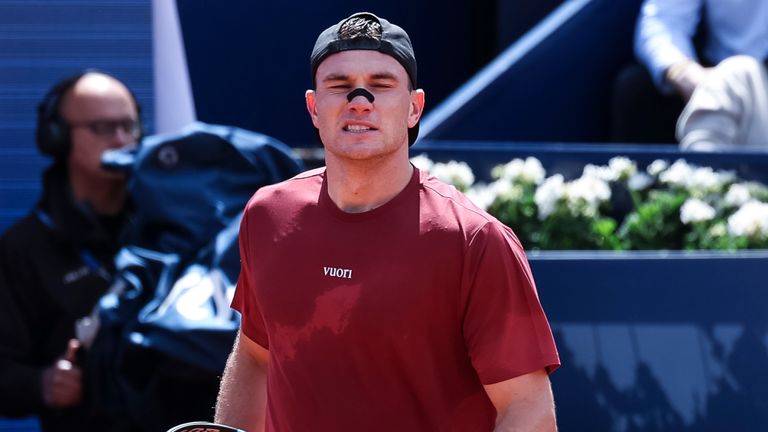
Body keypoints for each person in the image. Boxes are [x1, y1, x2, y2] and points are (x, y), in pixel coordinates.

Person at [214, 12, 560, 432]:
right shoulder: (268, 215)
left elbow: (528, 410)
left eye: (381, 85)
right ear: (314, 108)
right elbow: (255, 354)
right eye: (339, 86)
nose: (359, 99)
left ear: (414, 108)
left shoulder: (476, 240)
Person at [0, 71, 141, 431]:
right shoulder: (22, 249)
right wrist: (43, 384)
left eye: (128, 126)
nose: (121, 140)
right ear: (58, 138)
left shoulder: (172, 231)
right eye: (102, 128)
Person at [612, 0, 768, 146]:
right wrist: (684, 73)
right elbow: (664, 20)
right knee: (636, 88)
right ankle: (705, 168)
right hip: (720, 77)